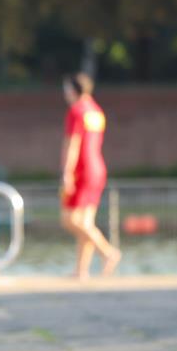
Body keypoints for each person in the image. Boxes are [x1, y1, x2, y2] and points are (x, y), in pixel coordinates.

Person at [59, 73, 122, 279]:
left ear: (73, 90)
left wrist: (67, 173)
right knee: (86, 220)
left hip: (82, 171)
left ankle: (107, 252)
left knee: (70, 220)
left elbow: (73, 144)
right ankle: (81, 270)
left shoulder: (76, 111)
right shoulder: (96, 111)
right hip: (97, 167)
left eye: (66, 88)